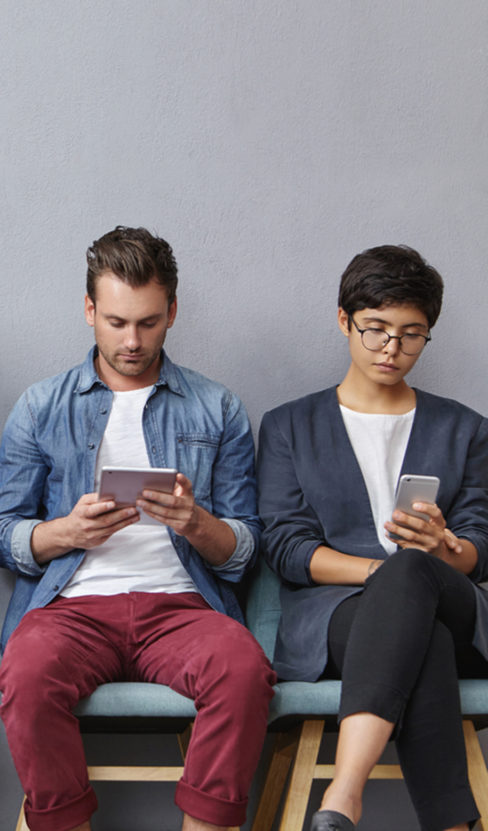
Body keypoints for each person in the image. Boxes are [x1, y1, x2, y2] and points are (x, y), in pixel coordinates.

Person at [0, 226, 275, 831]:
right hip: (73, 608)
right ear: (89, 310)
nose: (133, 340)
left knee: (243, 669)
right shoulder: (42, 406)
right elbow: (1, 534)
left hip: (182, 608)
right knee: (26, 671)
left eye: (148, 322)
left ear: (172, 311)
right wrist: (68, 532)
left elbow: (245, 549)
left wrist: (196, 523)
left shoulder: (216, 407)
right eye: (116, 322)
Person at [257, 245, 488, 831]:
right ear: (344, 320)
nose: (392, 349)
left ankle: (343, 794)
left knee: (414, 574)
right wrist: (378, 573)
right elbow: (286, 547)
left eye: (412, 335)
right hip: (337, 612)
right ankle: (452, 824)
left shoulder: (466, 429)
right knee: (418, 628)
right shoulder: (290, 425)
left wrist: (445, 548)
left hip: (454, 600)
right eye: (376, 330)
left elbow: (481, 543)